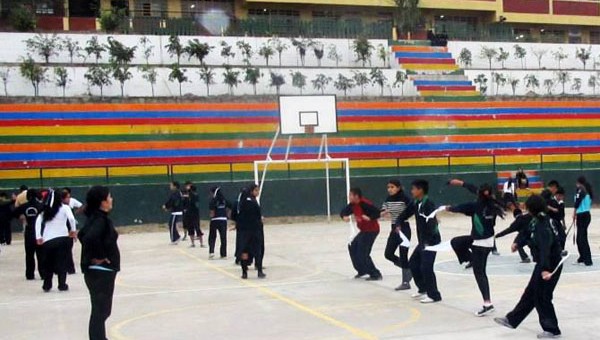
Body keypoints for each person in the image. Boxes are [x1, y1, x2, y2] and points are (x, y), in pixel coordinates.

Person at [494, 194, 564, 339]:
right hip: (544, 262)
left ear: (532, 208)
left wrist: (545, 269)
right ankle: (512, 320)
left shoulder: (544, 225)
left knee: (542, 296)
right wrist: (518, 243)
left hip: (551, 264)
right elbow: (527, 232)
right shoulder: (537, 220)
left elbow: (545, 248)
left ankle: (552, 330)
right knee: (530, 292)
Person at [446, 183, 504, 316]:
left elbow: (458, 208)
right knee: (457, 242)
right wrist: (462, 183)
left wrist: (447, 208)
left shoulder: (475, 206)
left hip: (479, 243)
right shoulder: (492, 206)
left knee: (480, 273)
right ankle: (470, 260)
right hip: (488, 242)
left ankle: (487, 303)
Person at [78, 186, 120, 340]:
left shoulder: (95, 217)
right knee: (100, 310)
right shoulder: (100, 220)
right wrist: (101, 256)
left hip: (99, 271)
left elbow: (82, 235)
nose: (111, 200)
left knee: (101, 310)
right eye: (109, 197)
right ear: (102, 202)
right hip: (101, 271)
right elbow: (88, 238)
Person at [396, 179, 442, 303]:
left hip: (431, 241)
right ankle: (423, 289)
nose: (411, 191)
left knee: (426, 267)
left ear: (420, 190)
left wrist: (428, 241)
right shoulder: (416, 202)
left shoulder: (428, 204)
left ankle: (434, 295)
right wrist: (398, 222)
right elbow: (405, 213)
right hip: (423, 240)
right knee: (413, 263)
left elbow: (432, 223)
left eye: (413, 189)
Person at [35, 190, 77, 292]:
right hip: (62, 238)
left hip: (48, 240)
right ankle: (62, 284)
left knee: (48, 263)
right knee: (62, 262)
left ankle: (47, 285)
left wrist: (38, 236)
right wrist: (73, 231)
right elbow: (71, 219)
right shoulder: (65, 208)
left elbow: (38, 222)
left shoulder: (45, 210)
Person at [341, 188, 383, 281]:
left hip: (371, 230)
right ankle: (362, 270)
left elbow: (377, 213)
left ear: (356, 196)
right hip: (363, 230)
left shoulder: (365, 204)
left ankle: (375, 274)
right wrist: (344, 216)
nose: (349, 197)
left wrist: (369, 218)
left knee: (363, 253)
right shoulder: (352, 205)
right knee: (353, 246)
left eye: (350, 195)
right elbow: (344, 211)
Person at [381, 180, 412, 290]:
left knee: (403, 255)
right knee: (388, 254)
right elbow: (382, 210)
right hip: (394, 228)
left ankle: (405, 282)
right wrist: (383, 213)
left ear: (398, 188)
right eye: (388, 187)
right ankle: (410, 269)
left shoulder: (405, 198)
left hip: (404, 228)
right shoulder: (388, 199)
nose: (389, 189)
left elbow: (413, 209)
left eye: (392, 187)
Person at [236, 184, 266, 279]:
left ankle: (244, 273)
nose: (258, 192)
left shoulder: (241, 203)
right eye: (256, 190)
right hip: (254, 230)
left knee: (244, 252)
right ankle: (259, 271)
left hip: (244, 232)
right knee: (257, 250)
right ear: (252, 191)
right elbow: (258, 216)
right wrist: (260, 220)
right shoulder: (253, 202)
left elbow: (238, 216)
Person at [15, 189, 44, 280]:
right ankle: (43, 273)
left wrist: (22, 217)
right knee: (41, 255)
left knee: (29, 255)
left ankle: (30, 274)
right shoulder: (41, 206)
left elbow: (14, 212)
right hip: (39, 232)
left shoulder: (24, 206)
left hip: (29, 232)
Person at [62, 188, 82, 274]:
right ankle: (68, 268)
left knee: (67, 250)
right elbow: (71, 219)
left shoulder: (69, 205)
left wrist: (73, 231)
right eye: (67, 198)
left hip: (67, 230)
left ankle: (69, 268)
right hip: (64, 230)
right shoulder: (64, 208)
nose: (69, 199)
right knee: (65, 250)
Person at [573, 176, 593, 266]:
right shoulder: (588, 191)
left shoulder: (581, 190)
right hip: (586, 215)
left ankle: (588, 260)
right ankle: (582, 257)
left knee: (582, 239)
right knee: (580, 238)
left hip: (582, 215)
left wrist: (574, 212)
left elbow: (577, 202)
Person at [209, 186, 230, 259]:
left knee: (212, 237)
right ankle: (223, 254)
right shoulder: (224, 200)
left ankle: (211, 252)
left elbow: (212, 212)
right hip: (223, 220)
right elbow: (230, 207)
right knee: (223, 237)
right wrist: (227, 214)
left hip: (215, 220)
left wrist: (212, 216)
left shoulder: (213, 200)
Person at [182, 183, 204, 248]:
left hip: (194, 214)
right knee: (190, 228)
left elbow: (192, 198)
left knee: (197, 228)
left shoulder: (195, 196)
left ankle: (201, 243)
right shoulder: (187, 197)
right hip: (189, 214)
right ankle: (193, 243)